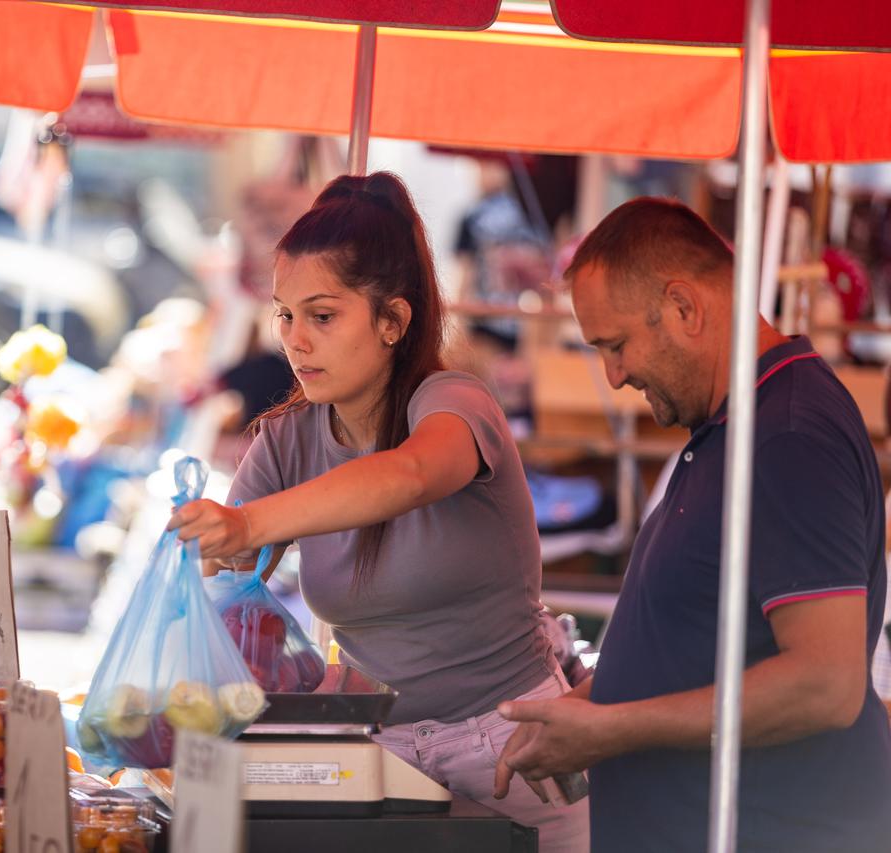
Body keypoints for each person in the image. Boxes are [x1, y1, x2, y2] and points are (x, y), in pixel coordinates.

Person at [169, 171, 589, 851]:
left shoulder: (455, 404)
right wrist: (207, 547)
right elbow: (224, 576)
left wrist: (250, 524)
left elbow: (411, 473)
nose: (295, 340)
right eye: (284, 314)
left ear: (393, 319)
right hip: (379, 762)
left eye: (322, 315)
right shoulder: (286, 439)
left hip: (517, 748)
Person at [494, 197, 891, 852]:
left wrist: (614, 726)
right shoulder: (736, 425)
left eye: (615, 345)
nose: (614, 375)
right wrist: (590, 705)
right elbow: (707, 640)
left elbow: (826, 683)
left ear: (684, 307)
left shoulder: (789, 436)